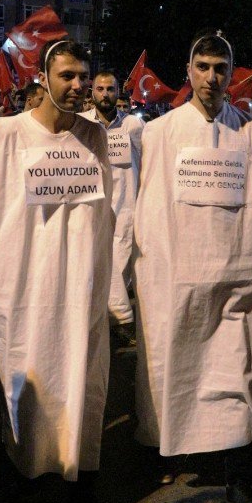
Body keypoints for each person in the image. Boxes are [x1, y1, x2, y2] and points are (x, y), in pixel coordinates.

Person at [0, 40, 118, 503]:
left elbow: (104, 219)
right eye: (67, 76)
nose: (78, 87)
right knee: (30, 393)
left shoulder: (96, 137)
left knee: (84, 385)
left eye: (84, 77)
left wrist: (102, 288)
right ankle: (28, 491)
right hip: (27, 289)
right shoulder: (9, 133)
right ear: (42, 77)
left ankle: (82, 493)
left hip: (80, 289)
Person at [134, 30, 252, 503]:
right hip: (180, 275)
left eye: (221, 68)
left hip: (234, 276)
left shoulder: (250, 132)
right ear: (188, 72)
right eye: (203, 67)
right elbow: (148, 206)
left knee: (239, 374)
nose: (212, 77)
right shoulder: (159, 132)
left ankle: (240, 481)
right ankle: (166, 456)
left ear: (231, 74)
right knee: (178, 370)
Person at [81, 71, 144, 346]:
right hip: (92, 207)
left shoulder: (133, 126)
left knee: (119, 264)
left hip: (126, 205)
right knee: (94, 263)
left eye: (110, 89)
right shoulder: (81, 124)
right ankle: (109, 321)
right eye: (100, 89)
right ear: (91, 92)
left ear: (119, 92)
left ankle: (119, 321)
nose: (105, 94)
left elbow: (147, 162)